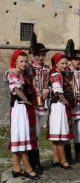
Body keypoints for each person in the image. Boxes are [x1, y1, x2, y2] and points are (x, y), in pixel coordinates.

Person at [4, 32, 50, 175]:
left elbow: (51, 80)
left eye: (42, 55)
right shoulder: (28, 67)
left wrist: (47, 88)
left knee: (33, 135)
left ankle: (25, 165)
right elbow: (13, 75)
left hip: (39, 105)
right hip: (28, 106)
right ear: (33, 55)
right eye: (37, 55)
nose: (40, 57)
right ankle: (32, 165)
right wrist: (9, 70)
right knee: (28, 134)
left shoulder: (47, 69)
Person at [7, 50, 40, 180]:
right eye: (21, 61)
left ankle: (16, 168)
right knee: (22, 137)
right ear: (15, 62)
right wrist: (26, 100)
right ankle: (28, 168)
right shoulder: (13, 74)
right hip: (19, 107)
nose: (24, 64)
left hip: (22, 108)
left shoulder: (23, 73)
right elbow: (15, 89)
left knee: (18, 137)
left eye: (26, 61)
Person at [47, 53, 74, 170]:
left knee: (56, 133)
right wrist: (65, 101)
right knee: (60, 133)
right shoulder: (57, 75)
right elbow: (58, 90)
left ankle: (56, 158)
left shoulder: (56, 74)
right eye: (62, 63)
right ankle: (63, 160)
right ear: (56, 63)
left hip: (56, 105)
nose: (64, 66)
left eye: (65, 64)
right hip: (59, 105)